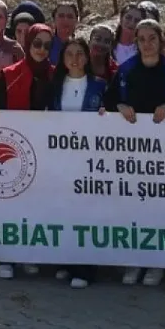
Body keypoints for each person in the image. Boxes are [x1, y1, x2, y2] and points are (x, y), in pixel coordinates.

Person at [103, 19, 165, 286]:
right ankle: (133, 261)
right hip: (131, 156)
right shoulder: (125, 71)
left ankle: (158, 263)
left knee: (161, 210)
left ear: (161, 40)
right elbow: (108, 102)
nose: (147, 44)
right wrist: (119, 105)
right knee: (132, 208)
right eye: (141, 39)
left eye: (152, 38)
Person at [0, 23, 56, 280]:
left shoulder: (56, 75)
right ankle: (5, 257)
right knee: (11, 205)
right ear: (28, 43)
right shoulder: (9, 74)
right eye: (36, 43)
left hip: (47, 150)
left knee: (36, 205)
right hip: (15, 149)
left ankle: (28, 254)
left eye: (47, 45)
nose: (41, 49)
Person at [47, 37, 107, 289]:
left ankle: (86, 268)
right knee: (65, 212)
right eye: (69, 53)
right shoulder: (54, 86)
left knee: (87, 214)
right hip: (62, 162)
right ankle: (67, 262)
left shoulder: (99, 85)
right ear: (62, 58)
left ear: (87, 57)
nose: (74, 58)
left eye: (79, 53)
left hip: (89, 162)